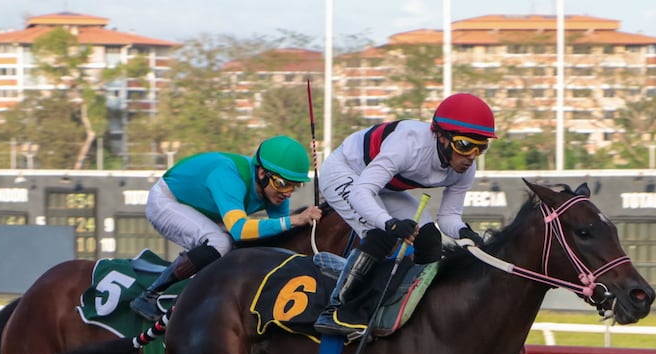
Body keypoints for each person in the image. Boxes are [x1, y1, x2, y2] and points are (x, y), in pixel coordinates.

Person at [314, 92, 494, 336]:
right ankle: (336, 310)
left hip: (382, 185)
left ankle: (417, 308)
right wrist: (390, 224)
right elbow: (360, 193)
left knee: (429, 238)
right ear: (441, 136)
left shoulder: (465, 169)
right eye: (464, 145)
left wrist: (464, 232)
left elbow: (448, 217)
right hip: (344, 171)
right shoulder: (409, 144)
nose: (471, 157)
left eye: (480, 147)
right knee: (381, 234)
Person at [130, 135, 323, 320]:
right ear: (262, 173)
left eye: (294, 186)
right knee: (220, 243)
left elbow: (281, 235)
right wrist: (295, 219)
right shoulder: (229, 176)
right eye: (282, 184)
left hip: (204, 210)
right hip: (166, 201)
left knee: (238, 247)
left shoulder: (275, 190)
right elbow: (239, 230)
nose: (287, 193)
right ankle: (150, 295)